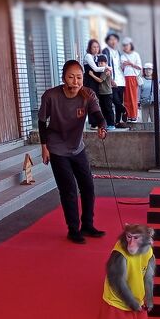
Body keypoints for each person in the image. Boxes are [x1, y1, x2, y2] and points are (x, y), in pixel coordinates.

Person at [38, 60, 107, 244]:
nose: (75, 81)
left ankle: (87, 225)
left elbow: (98, 115)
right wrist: (44, 147)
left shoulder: (87, 94)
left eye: (79, 77)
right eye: (71, 77)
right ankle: (73, 229)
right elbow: (42, 122)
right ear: (63, 78)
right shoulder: (50, 96)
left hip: (77, 147)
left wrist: (102, 126)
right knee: (68, 189)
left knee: (88, 186)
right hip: (57, 148)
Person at [102, 33, 127, 127]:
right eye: (111, 39)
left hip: (121, 80)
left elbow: (120, 66)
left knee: (119, 102)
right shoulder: (105, 51)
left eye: (115, 39)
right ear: (107, 41)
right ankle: (124, 110)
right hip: (112, 81)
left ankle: (117, 122)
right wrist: (111, 79)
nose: (113, 41)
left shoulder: (118, 52)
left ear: (117, 41)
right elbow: (105, 66)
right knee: (115, 100)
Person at [89, 54, 115, 130]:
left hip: (107, 93)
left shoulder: (106, 70)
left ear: (106, 63)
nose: (100, 64)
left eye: (102, 63)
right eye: (99, 63)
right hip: (102, 93)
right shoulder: (102, 70)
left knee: (108, 109)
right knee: (103, 109)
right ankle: (106, 123)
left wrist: (92, 75)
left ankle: (111, 124)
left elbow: (100, 80)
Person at [120, 37, 142, 122]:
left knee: (133, 97)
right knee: (126, 97)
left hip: (133, 77)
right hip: (125, 78)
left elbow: (139, 67)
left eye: (127, 45)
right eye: (124, 45)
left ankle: (134, 115)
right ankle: (128, 115)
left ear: (131, 45)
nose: (126, 47)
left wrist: (130, 64)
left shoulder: (136, 55)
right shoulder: (122, 56)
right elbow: (121, 67)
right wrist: (124, 65)